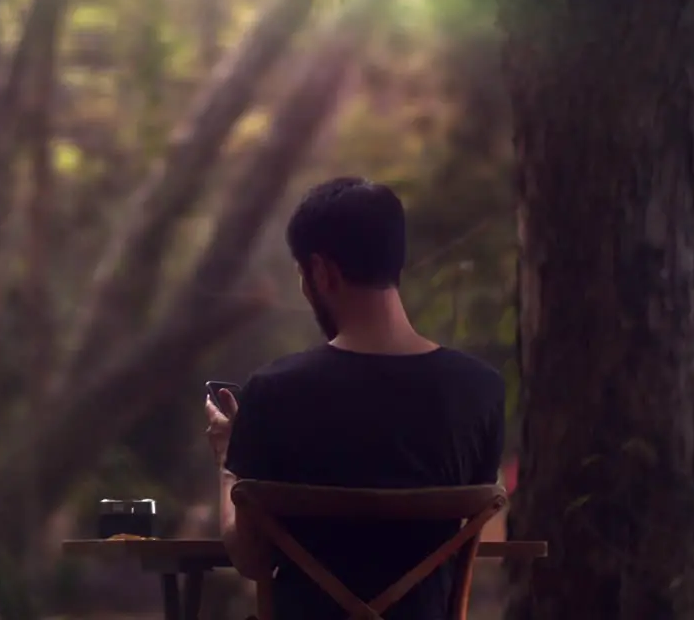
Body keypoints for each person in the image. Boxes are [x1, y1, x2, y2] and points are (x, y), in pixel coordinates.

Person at [204, 177, 504, 620]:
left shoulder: (276, 392)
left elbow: (250, 559)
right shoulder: (480, 390)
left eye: (304, 277)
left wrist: (228, 462)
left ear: (323, 273)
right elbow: (475, 526)